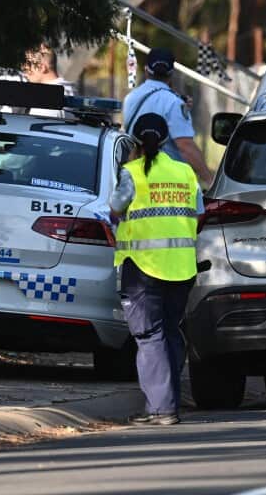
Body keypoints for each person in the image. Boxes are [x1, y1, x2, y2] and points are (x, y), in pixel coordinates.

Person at [109, 113, 203, 425]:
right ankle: (168, 398)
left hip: (143, 267)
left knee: (150, 335)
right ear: (165, 141)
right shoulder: (184, 172)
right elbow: (198, 215)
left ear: (136, 140)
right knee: (170, 333)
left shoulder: (131, 173)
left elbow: (115, 209)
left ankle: (162, 409)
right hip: (182, 267)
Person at [122, 47, 213, 187]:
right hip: (166, 184)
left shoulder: (130, 99)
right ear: (171, 74)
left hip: (134, 179)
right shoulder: (174, 103)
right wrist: (209, 180)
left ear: (146, 70)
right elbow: (185, 146)